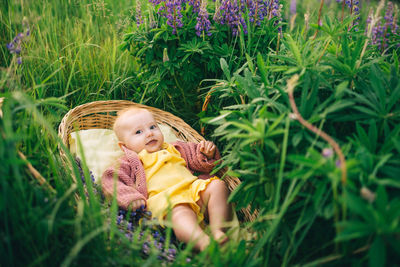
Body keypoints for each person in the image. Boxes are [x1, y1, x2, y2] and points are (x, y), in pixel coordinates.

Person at [101, 107, 232, 251]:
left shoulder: (175, 147)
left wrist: (207, 152)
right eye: (139, 132)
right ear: (124, 146)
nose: (150, 133)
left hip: (193, 190)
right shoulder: (131, 161)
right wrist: (130, 197)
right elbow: (111, 180)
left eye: (153, 126)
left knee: (218, 186)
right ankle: (203, 243)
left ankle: (218, 231)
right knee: (181, 213)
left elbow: (200, 160)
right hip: (167, 202)